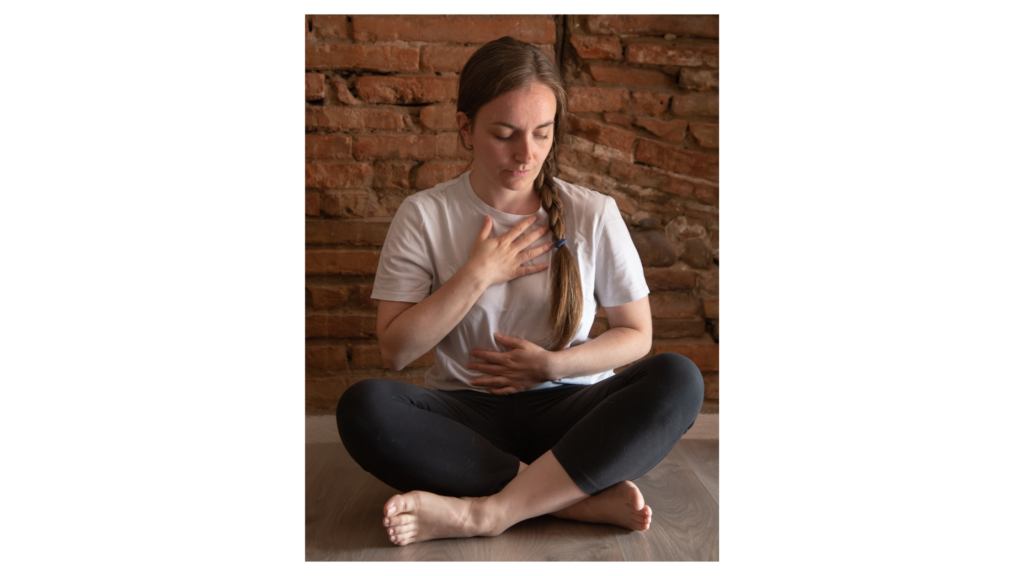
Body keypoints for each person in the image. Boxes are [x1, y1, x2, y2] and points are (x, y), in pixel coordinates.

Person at [336, 36, 704, 547]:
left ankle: (490, 512)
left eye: (541, 133)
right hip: (468, 419)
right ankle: (573, 498)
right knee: (364, 406)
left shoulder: (593, 213)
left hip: (573, 412)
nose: (526, 154)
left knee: (678, 378)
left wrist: (551, 366)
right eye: (505, 134)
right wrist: (478, 275)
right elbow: (396, 351)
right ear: (465, 128)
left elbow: (637, 335)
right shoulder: (424, 214)